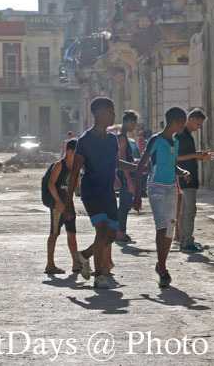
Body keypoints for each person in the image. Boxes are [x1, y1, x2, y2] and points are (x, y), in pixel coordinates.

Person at [63, 97, 139, 289]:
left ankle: (84, 256)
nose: (114, 115)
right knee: (103, 229)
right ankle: (99, 276)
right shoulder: (85, 140)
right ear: (100, 114)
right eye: (111, 111)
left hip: (108, 192)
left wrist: (136, 168)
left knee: (112, 234)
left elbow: (116, 163)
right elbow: (74, 172)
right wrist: (69, 201)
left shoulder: (112, 139)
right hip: (91, 191)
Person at [133, 107, 191, 288]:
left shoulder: (176, 142)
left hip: (171, 188)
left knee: (170, 229)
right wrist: (137, 194)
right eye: (183, 122)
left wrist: (183, 173)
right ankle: (164, 270)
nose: (184, 126)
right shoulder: (155, 140)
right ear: (175, 121)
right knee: (162, 226)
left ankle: (161, 264)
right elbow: (142, 165)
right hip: (156, 187)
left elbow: (173, 167)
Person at [176, 108, 214, 252]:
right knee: (190, 211)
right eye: (198, 124)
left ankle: (183, 240)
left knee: (185, 210)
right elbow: (177, 157)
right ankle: (187, 242)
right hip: (186, 177)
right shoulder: (181, 136)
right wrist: (196, 155)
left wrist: (198, 155)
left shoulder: (188, 136)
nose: (199, 127)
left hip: (188, 176)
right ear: (190, 119)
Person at [45, 139, 80, 274]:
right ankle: (50, 264)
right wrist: (58, 202)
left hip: (69, 206)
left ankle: (76, 264)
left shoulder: (75, 168)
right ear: (70, 152)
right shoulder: (59, 165)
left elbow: (78, 187)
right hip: (57, 207)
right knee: (54, 234)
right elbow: (51, 184)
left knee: (72, 233)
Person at [116, 110, 138, 244]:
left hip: (125, 175)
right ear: (128, 122)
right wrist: (129, 180)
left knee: (125, 205)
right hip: (125, 177)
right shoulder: (122, 138)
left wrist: (133, 162)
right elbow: (122, 158)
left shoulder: (123, 137)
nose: (134, 126)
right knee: (125, 205)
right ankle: (120, 233)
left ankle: (119, 231)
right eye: (133, 123)